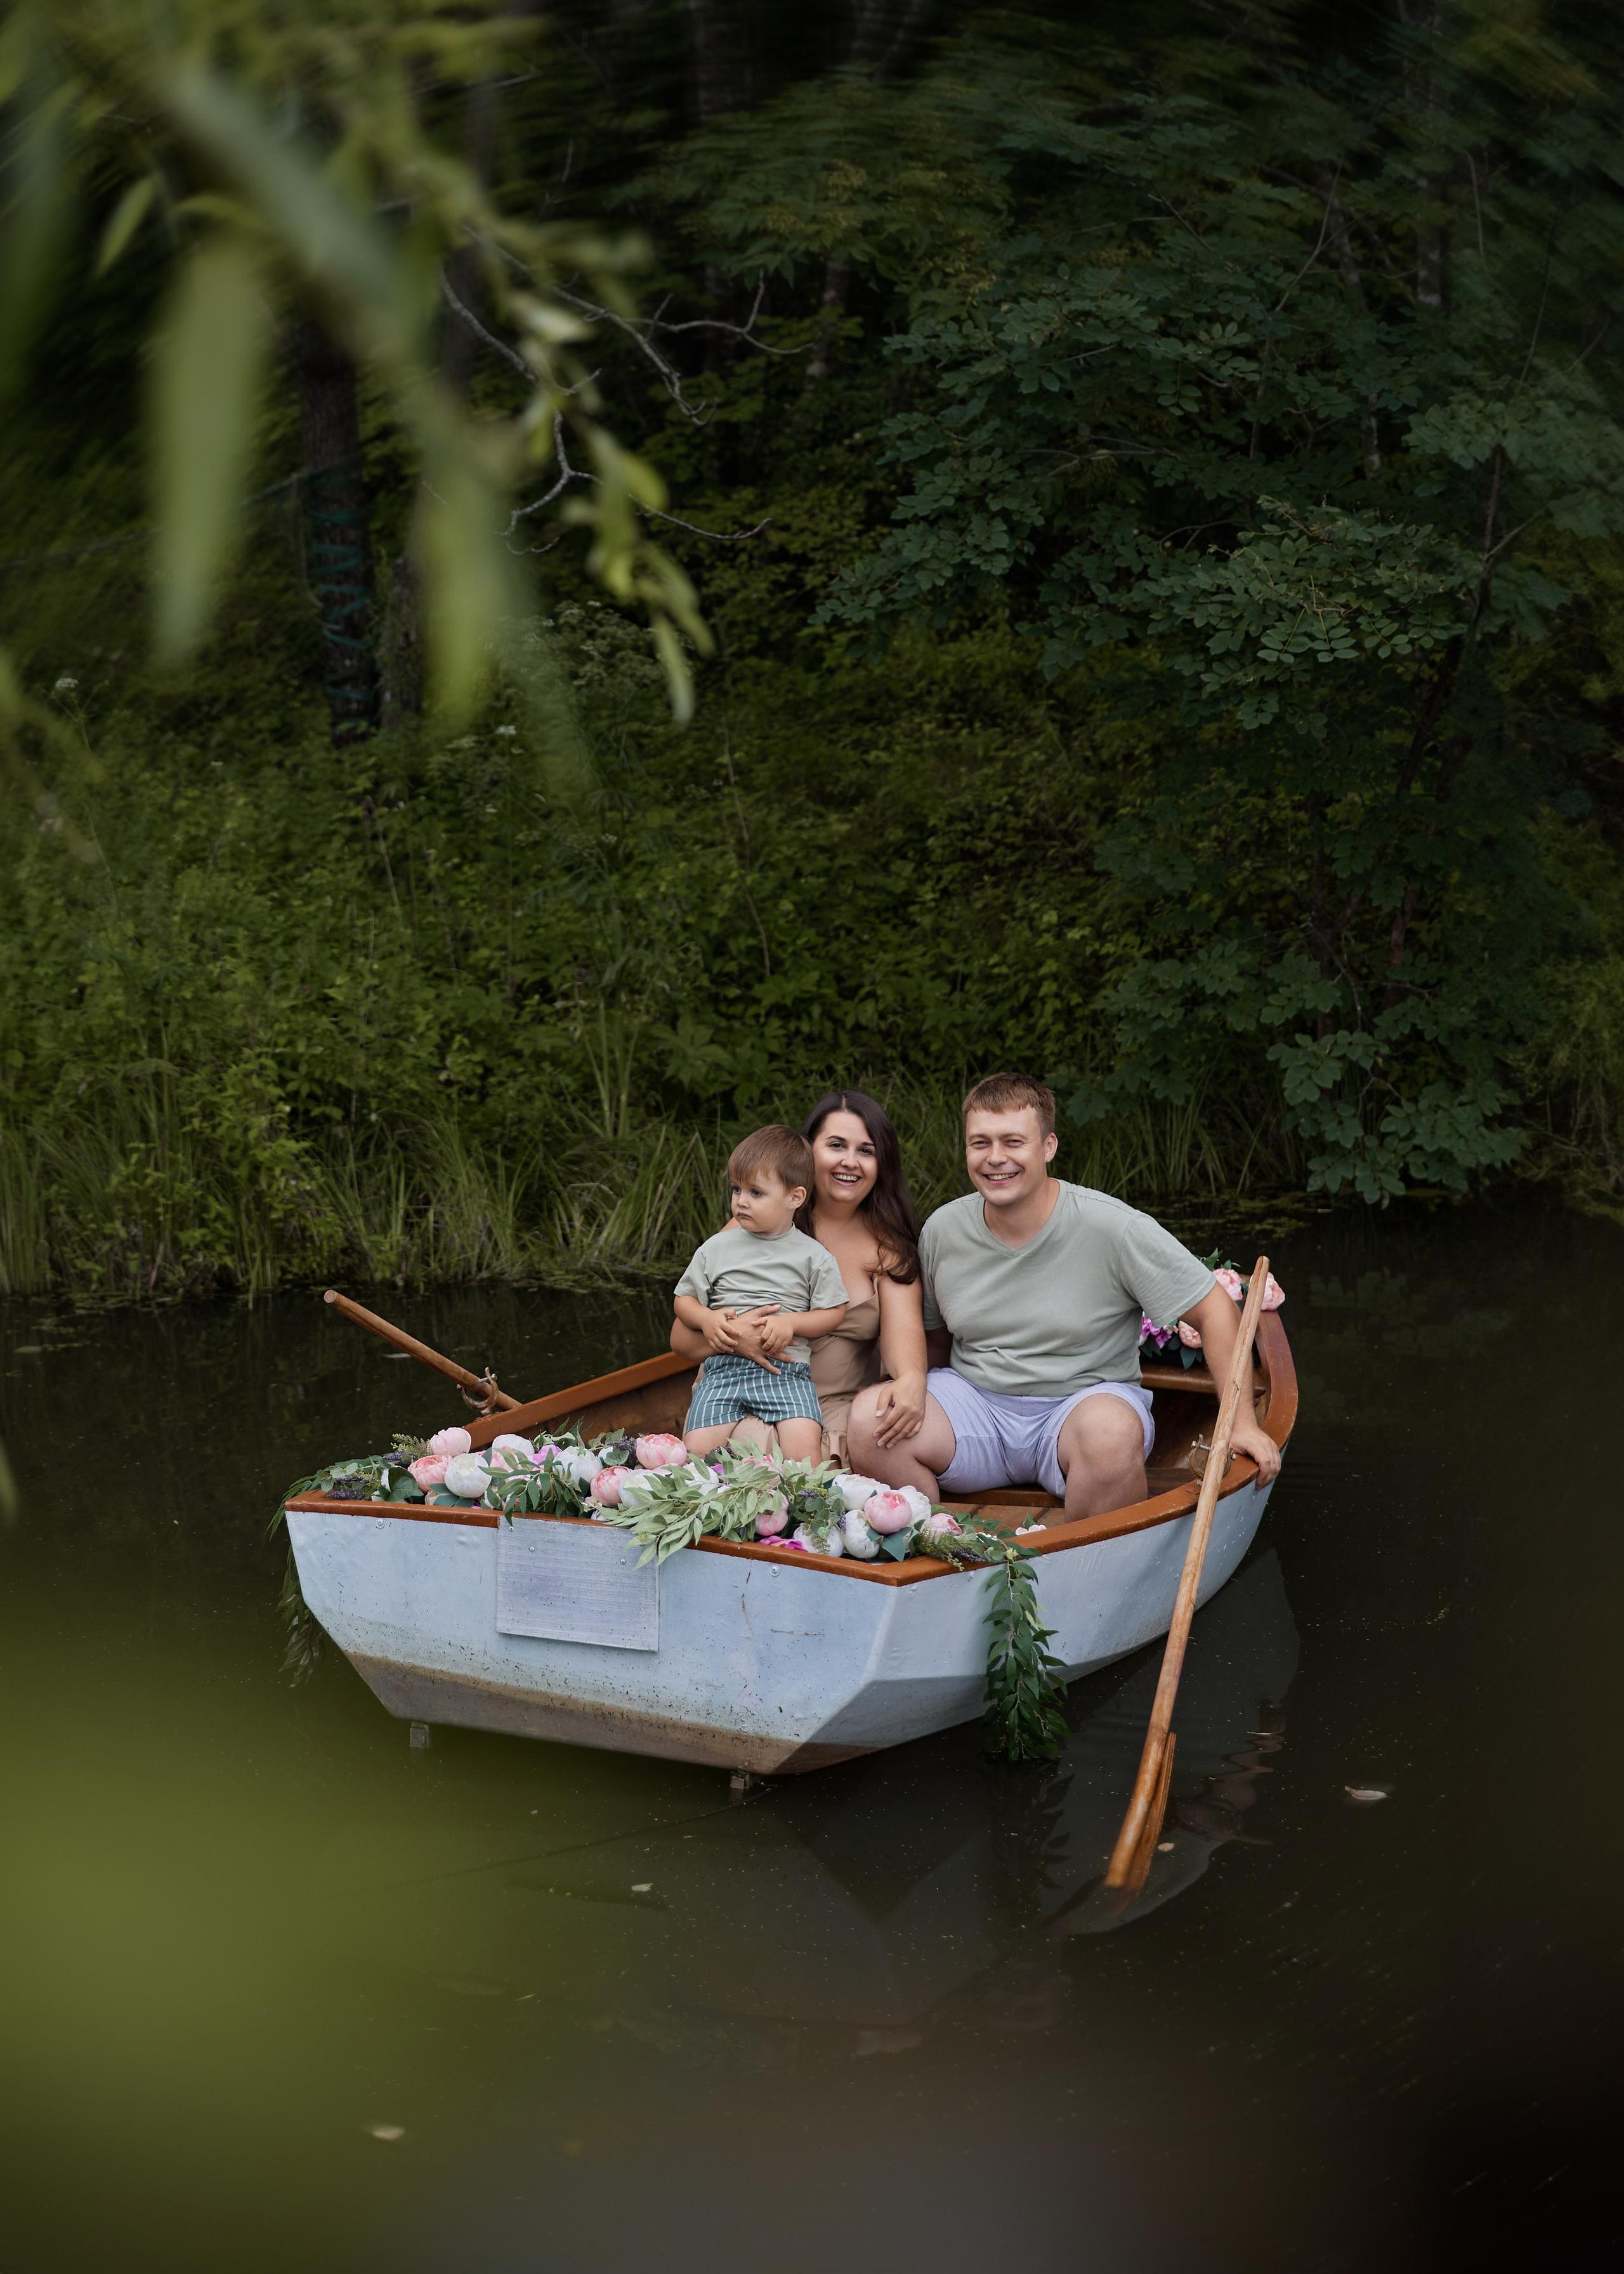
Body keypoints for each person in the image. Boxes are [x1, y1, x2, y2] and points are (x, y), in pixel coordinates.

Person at [846, 1072, 1282, 1520]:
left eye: (1013, 1142)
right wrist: (910, 1392)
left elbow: (1216, 1311)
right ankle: (937, 1541)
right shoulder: (943, 1229)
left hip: (1081, 1406)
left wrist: (1241, 1423)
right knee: (867, 1420)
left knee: (1110, 1433)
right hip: (976, 1406)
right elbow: (935, 1341)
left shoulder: (1114, 1228)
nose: (995, 1158)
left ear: (1048, 1147)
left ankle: (1087, 1556)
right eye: (980, 1143)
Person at [670, 1089, 929, 1463]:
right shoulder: (756, 1225)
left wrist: (911, 1380)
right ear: (808, 1153)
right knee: (746, 1447)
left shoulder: (888, 1249)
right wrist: (737, 1337)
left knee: (881, 1433)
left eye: (866, 1151)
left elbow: (903, 1340)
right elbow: (681, 1339)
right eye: (836, 1145)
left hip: (834, 1408)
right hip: (742, 1392)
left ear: (881, 1163)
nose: (850, 1161)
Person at [673, 1124, 848, 1462]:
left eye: (756, 1193)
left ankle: (808, 1496)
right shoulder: (716, 1248)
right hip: (723, 1371)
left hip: (787, 1374)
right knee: (694, 1453)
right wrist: (706, 1319)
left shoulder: (814, 1256)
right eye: (737, 1189)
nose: (741, 1201)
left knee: (805, 1455)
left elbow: (834, 1312)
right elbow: (683, 1300)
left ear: (795, 1197)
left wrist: (792, 1323)